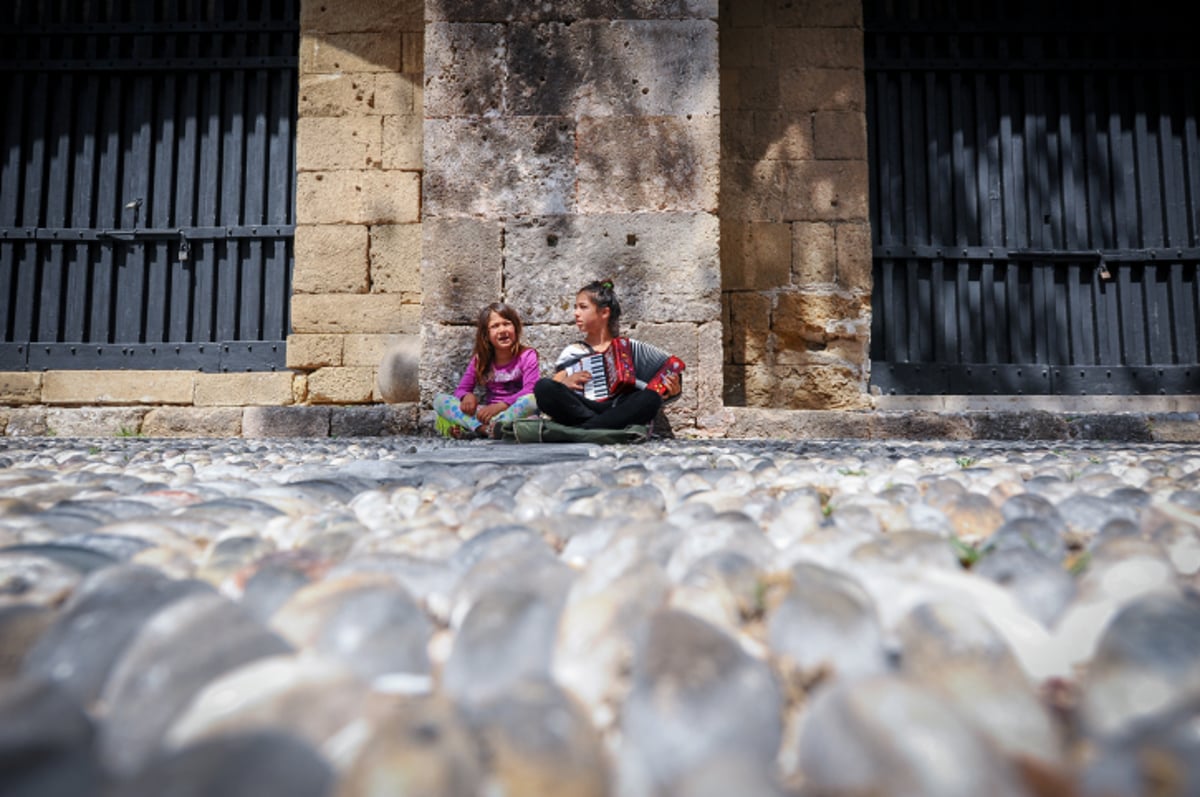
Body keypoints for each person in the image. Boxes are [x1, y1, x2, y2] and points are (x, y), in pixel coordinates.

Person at [533, 278, 682, 431]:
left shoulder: (627, 349)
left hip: (619, 407)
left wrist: (672, 392)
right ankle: (599, 428)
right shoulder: (574, 351)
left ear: (604, 312)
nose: (576, 313)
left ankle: (585, 430)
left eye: (583, 307)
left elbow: (658, 389)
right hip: (583, 408)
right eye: (575, 307)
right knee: (543, 387)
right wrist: (566, 383)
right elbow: (555, 387)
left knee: (651, 398)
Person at [434, 302, 540, 438]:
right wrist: (467, 396)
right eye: (495, 326)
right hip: (485, 415)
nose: (502, 330)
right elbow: (461, 390)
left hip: (513, 412)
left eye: (507, 323)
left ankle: (486, 428)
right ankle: (483, 429)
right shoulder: (481, 360)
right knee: (439, 400)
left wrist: (502, 405)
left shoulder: (527, 355)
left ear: (516, 327)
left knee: (532, 400)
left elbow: (530, 389)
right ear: (486, 335)